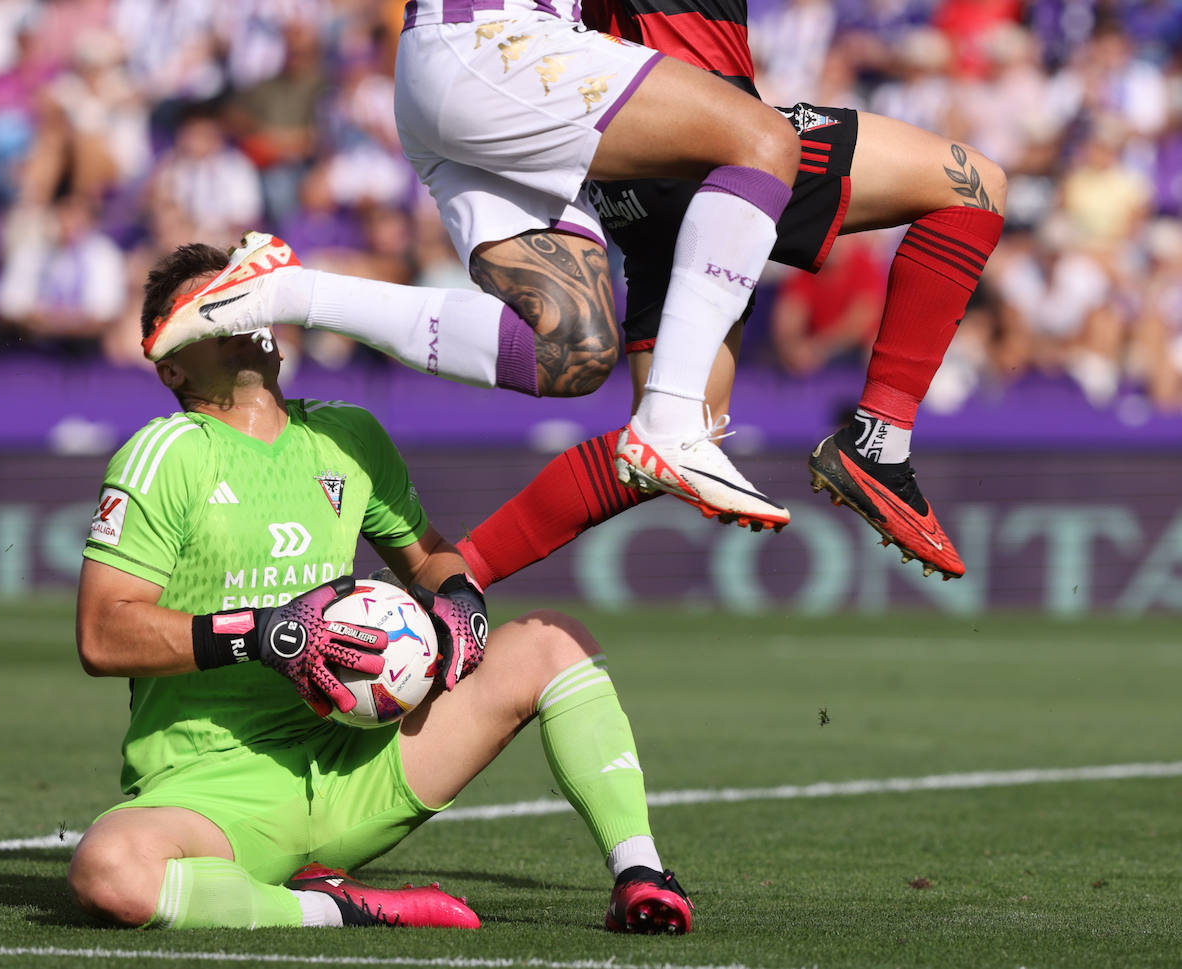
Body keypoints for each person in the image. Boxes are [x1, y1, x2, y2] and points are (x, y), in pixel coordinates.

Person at [67, 243, 694, 935]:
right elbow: (102, 633)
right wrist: (268, 631)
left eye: (250, 293)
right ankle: (337, 907)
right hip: (215, 794)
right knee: (110, 870)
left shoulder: (348, 434)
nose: (245, 308)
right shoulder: (164, 453)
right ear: (172, 362)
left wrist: (462, 605)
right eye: (217, 304)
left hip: (356, 767)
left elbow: (432, 561)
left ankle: (640, 874)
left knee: (553, 641)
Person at [141, 0, 805, 533]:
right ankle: (671, 422)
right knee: (762, 140)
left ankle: (285, 291)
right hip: (496, 42)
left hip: (460, 70)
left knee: (573, 350)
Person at [452, 0, 1008, 585]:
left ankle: (457, 576)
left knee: (670, 437)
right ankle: (879, 444)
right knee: (973, 188)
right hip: (714, 137)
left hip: (624, 178)